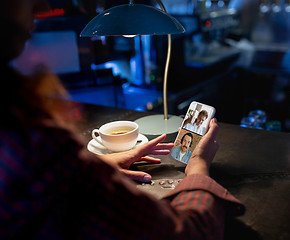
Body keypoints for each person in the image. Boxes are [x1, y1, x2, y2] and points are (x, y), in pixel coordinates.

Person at [0, 0, 244, 239]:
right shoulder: (30, 138)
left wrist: (104, 163)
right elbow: (189, 233)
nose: (42, 8)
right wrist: (199, 167)